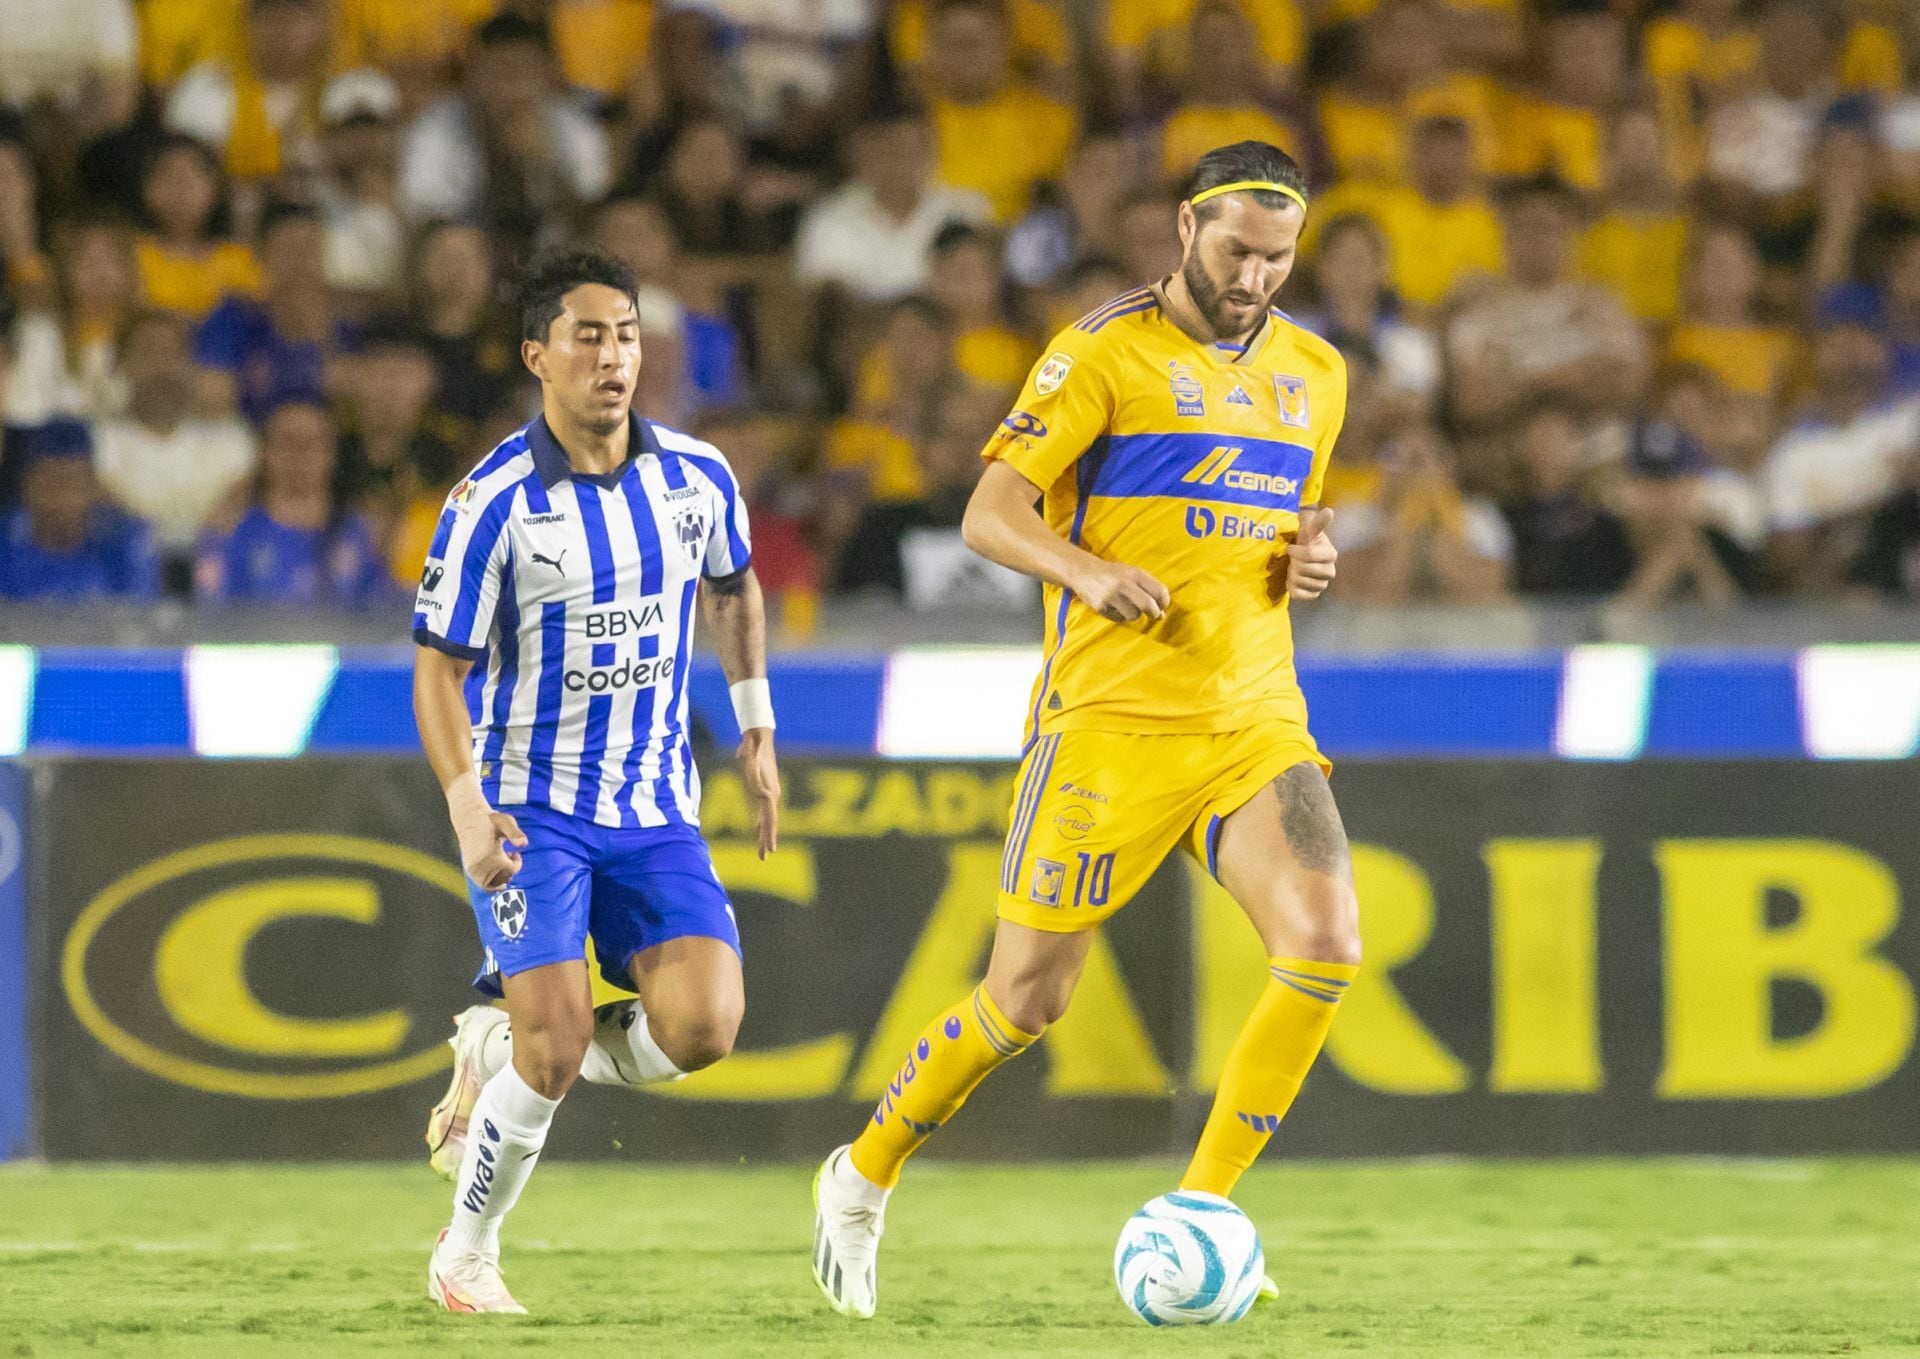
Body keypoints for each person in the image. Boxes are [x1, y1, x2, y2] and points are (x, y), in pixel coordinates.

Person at [811, 141, 1355, 1319]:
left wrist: (1311, 556)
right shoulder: (1103, 352)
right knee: (1025, 1002)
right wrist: (1082, 571)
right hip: (1109, 724)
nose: (1254, 277)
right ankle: (862, 1173)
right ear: (1184, 228)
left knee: (1325, 944)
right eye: (1234, 251)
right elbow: (989, 511)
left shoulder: (1317, 372)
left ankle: (1205, 1208)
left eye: (1276, 257)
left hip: (1255, 717)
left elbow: (1293, 521)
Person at [412, 251, 781, 1313]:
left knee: (705, 1029)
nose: (613, 355)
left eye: (625, 334)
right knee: (559, 1044)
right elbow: (439, 669)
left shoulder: (697, 478)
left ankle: (499, 1050)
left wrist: (756, 729)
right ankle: (466, 1255)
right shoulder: (493, 502)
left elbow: (736, 587)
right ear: (538, 354)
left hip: (656, 808)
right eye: (588, 335)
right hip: (530, 809)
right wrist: (469, 809)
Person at [195, 395, 389, 606]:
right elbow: (212, 616)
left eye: (312, 443)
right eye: (287, 442)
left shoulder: (358, 531)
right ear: (264, 451)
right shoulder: (231, 531)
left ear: (332, 453)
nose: (300, 455)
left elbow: (382, 613)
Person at [0, 418, 158, 601]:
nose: (63, 495)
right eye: (53, 482)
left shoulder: (127, 541)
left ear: (94, 487)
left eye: (74, 481)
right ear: (27, 487)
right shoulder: (5, 542)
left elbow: (140, 617)